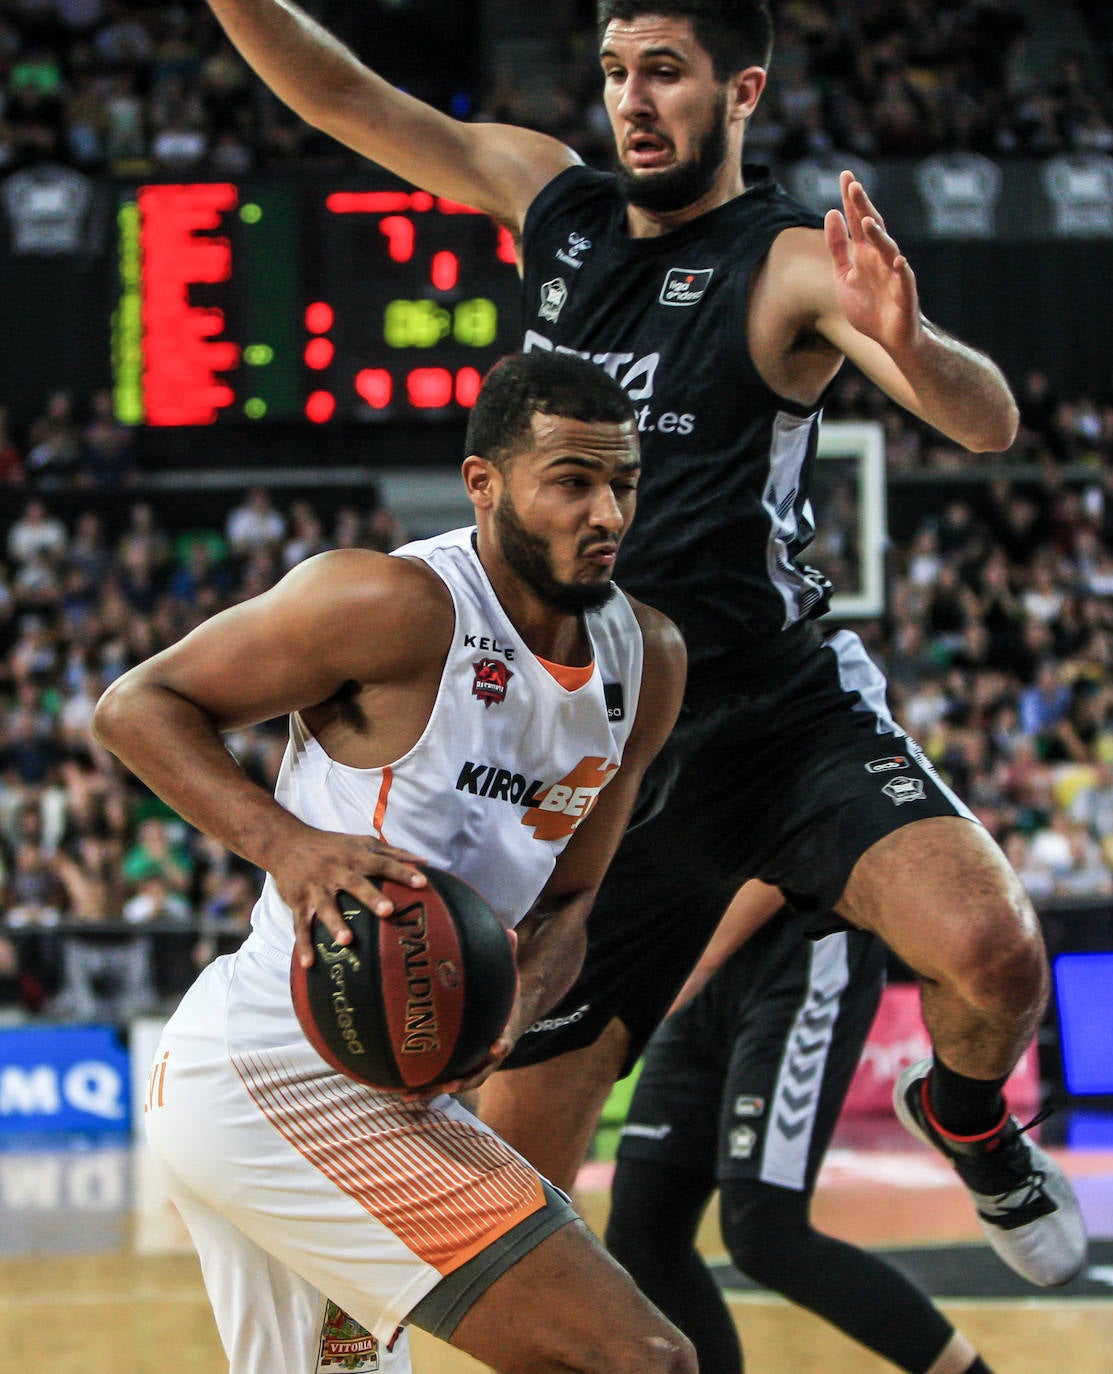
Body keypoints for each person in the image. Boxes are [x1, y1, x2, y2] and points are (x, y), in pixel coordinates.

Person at [195, 0, 1086, 1291]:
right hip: (607, 748)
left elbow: (987, 420)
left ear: (739, 91)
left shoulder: (780, 259)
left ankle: (965, 1117)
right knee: (517, 1188)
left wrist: (911, 348)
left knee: (994, 950)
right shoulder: (549, 204)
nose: (629, 98)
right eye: (613, 70)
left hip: (778, 713)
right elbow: (342, 98)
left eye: (662, 72)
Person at [92, 351, 691, 1374]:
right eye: (571, 482)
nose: (605, 513)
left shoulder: (647, 660)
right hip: (274, 1070)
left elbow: (572, 899)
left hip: (391, 1083)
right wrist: (288, 844)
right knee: (638, 1360)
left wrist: (518, 1000)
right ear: (483, 484)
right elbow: (136, 707)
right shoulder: (391, 604)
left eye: (621, 484)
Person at [606, 881, 992, 1374]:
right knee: (643, 1230)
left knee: (766, 1235)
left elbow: (772, 833)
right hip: (700, 952)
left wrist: (697, 962)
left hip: (801, 951)